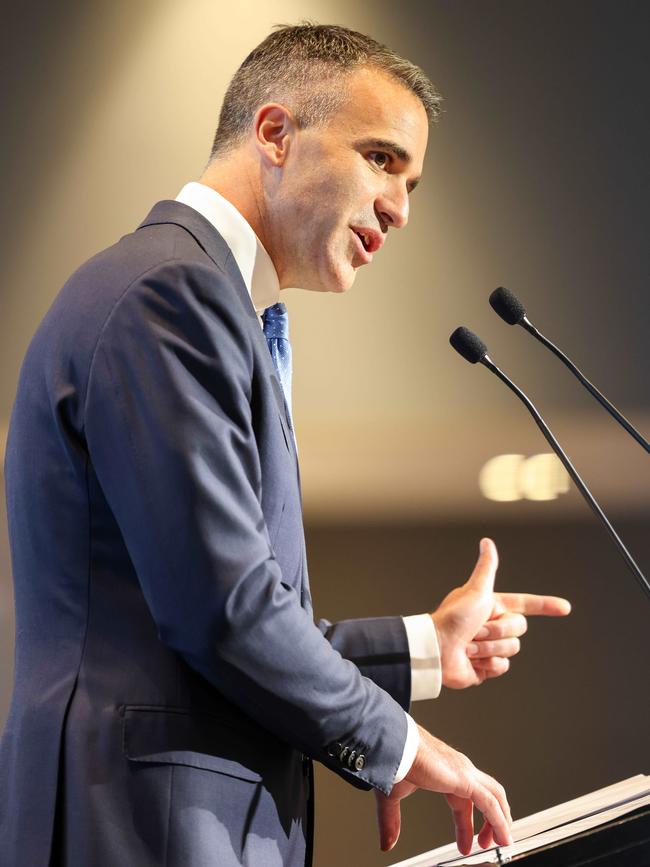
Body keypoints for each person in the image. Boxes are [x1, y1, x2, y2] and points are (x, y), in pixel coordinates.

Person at [0, 23, 570, 867]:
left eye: (410, 182)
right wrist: (408, 746)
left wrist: (425, 644)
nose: (401, 207)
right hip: (139, 828)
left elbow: (228, 607)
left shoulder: (218, 305)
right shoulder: (173, 293)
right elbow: (225, 613)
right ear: (275, 134)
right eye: (381, 158)